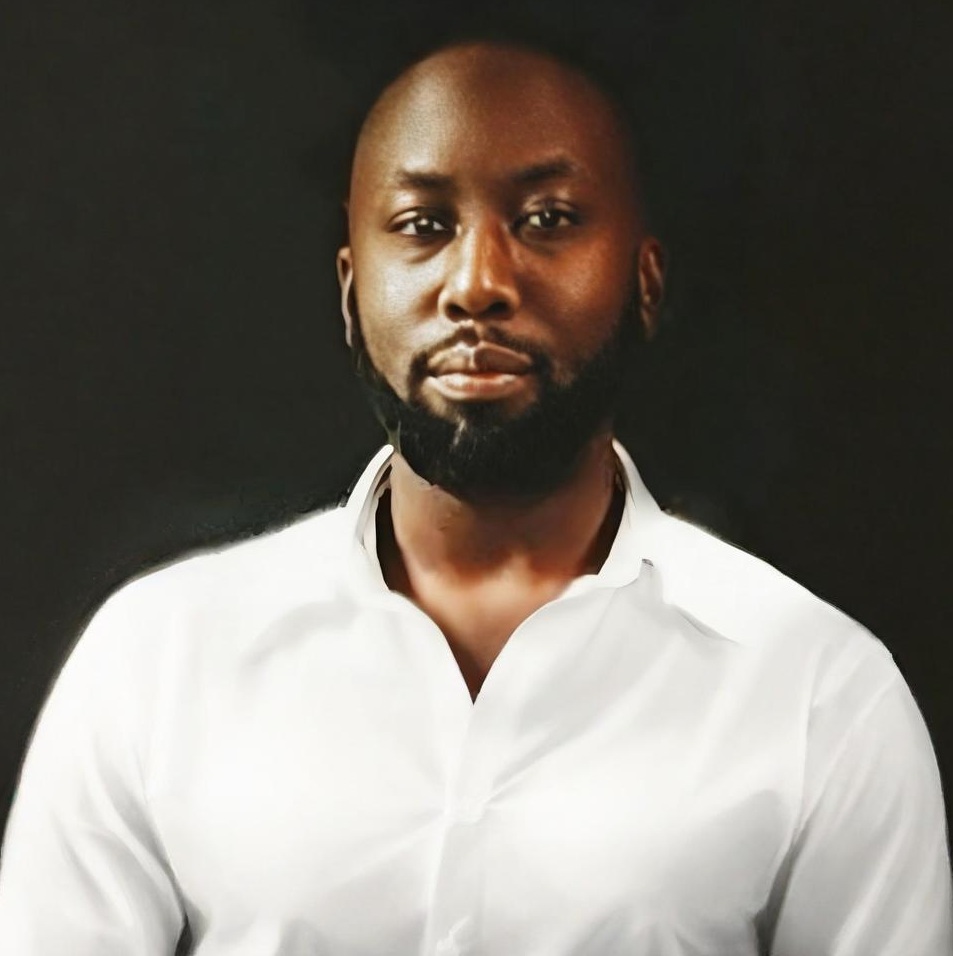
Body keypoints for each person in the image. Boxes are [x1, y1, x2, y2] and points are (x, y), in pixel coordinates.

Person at [0, 35, 950, 956]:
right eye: (423, 226)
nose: (477, 284)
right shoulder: (154, 662)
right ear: (350, 293)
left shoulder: (819, 692)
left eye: (547, 219)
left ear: (646, 282)